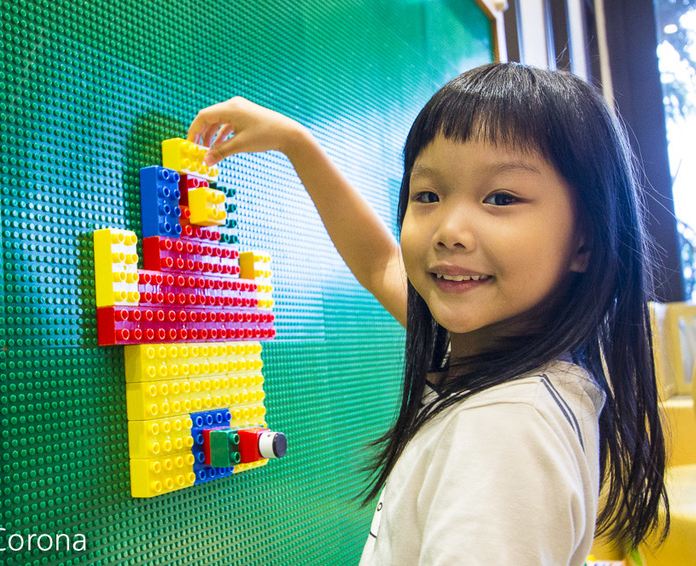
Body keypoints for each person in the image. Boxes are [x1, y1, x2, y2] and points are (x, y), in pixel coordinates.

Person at [187, 62, 668, 565]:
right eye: (428, 195)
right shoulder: (515, 367)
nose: (449, 230)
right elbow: (380, 263)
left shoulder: (503, 430)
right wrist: (296, 144)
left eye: (500, 198)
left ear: (586, 240)